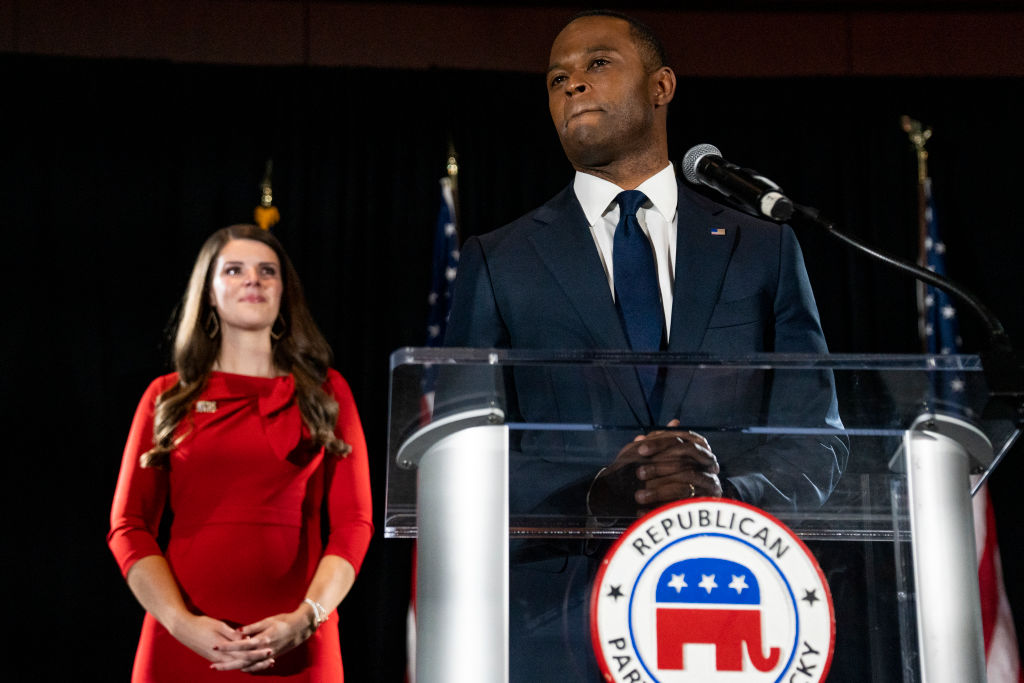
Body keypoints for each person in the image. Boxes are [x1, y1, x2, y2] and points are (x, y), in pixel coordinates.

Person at [443, 9, 846, 680]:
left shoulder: (763, 247)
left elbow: (819, 439)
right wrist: (594, 493)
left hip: (736, 607)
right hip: (560, 622)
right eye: (556, 78)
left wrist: (724, 496)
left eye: (597, 64)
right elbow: (463, 459)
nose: (573, 85)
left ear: (661, 87)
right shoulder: (498, 260)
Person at [108, 224, 373, 681]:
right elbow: (127, 526)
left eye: (267, 271)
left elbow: (354, 523)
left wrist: (309, 616)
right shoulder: (166, 396)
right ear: (208, 293)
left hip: (299, 643)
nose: (253, 280)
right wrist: (180, 625)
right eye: (234, 270)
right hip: (183, 642)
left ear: (283, 293)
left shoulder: (327, 393)